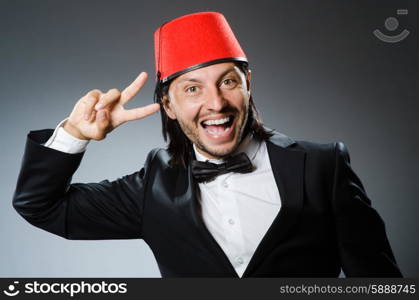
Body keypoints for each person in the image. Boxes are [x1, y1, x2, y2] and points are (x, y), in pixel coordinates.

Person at [13, 11, 402, 278]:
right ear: (168, 104)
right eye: (192, 89)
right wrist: (75, 135)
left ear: (248, 84)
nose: (215, 103)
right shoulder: (154, 186)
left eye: (228, 81)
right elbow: (41, 206)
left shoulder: (322, 165)